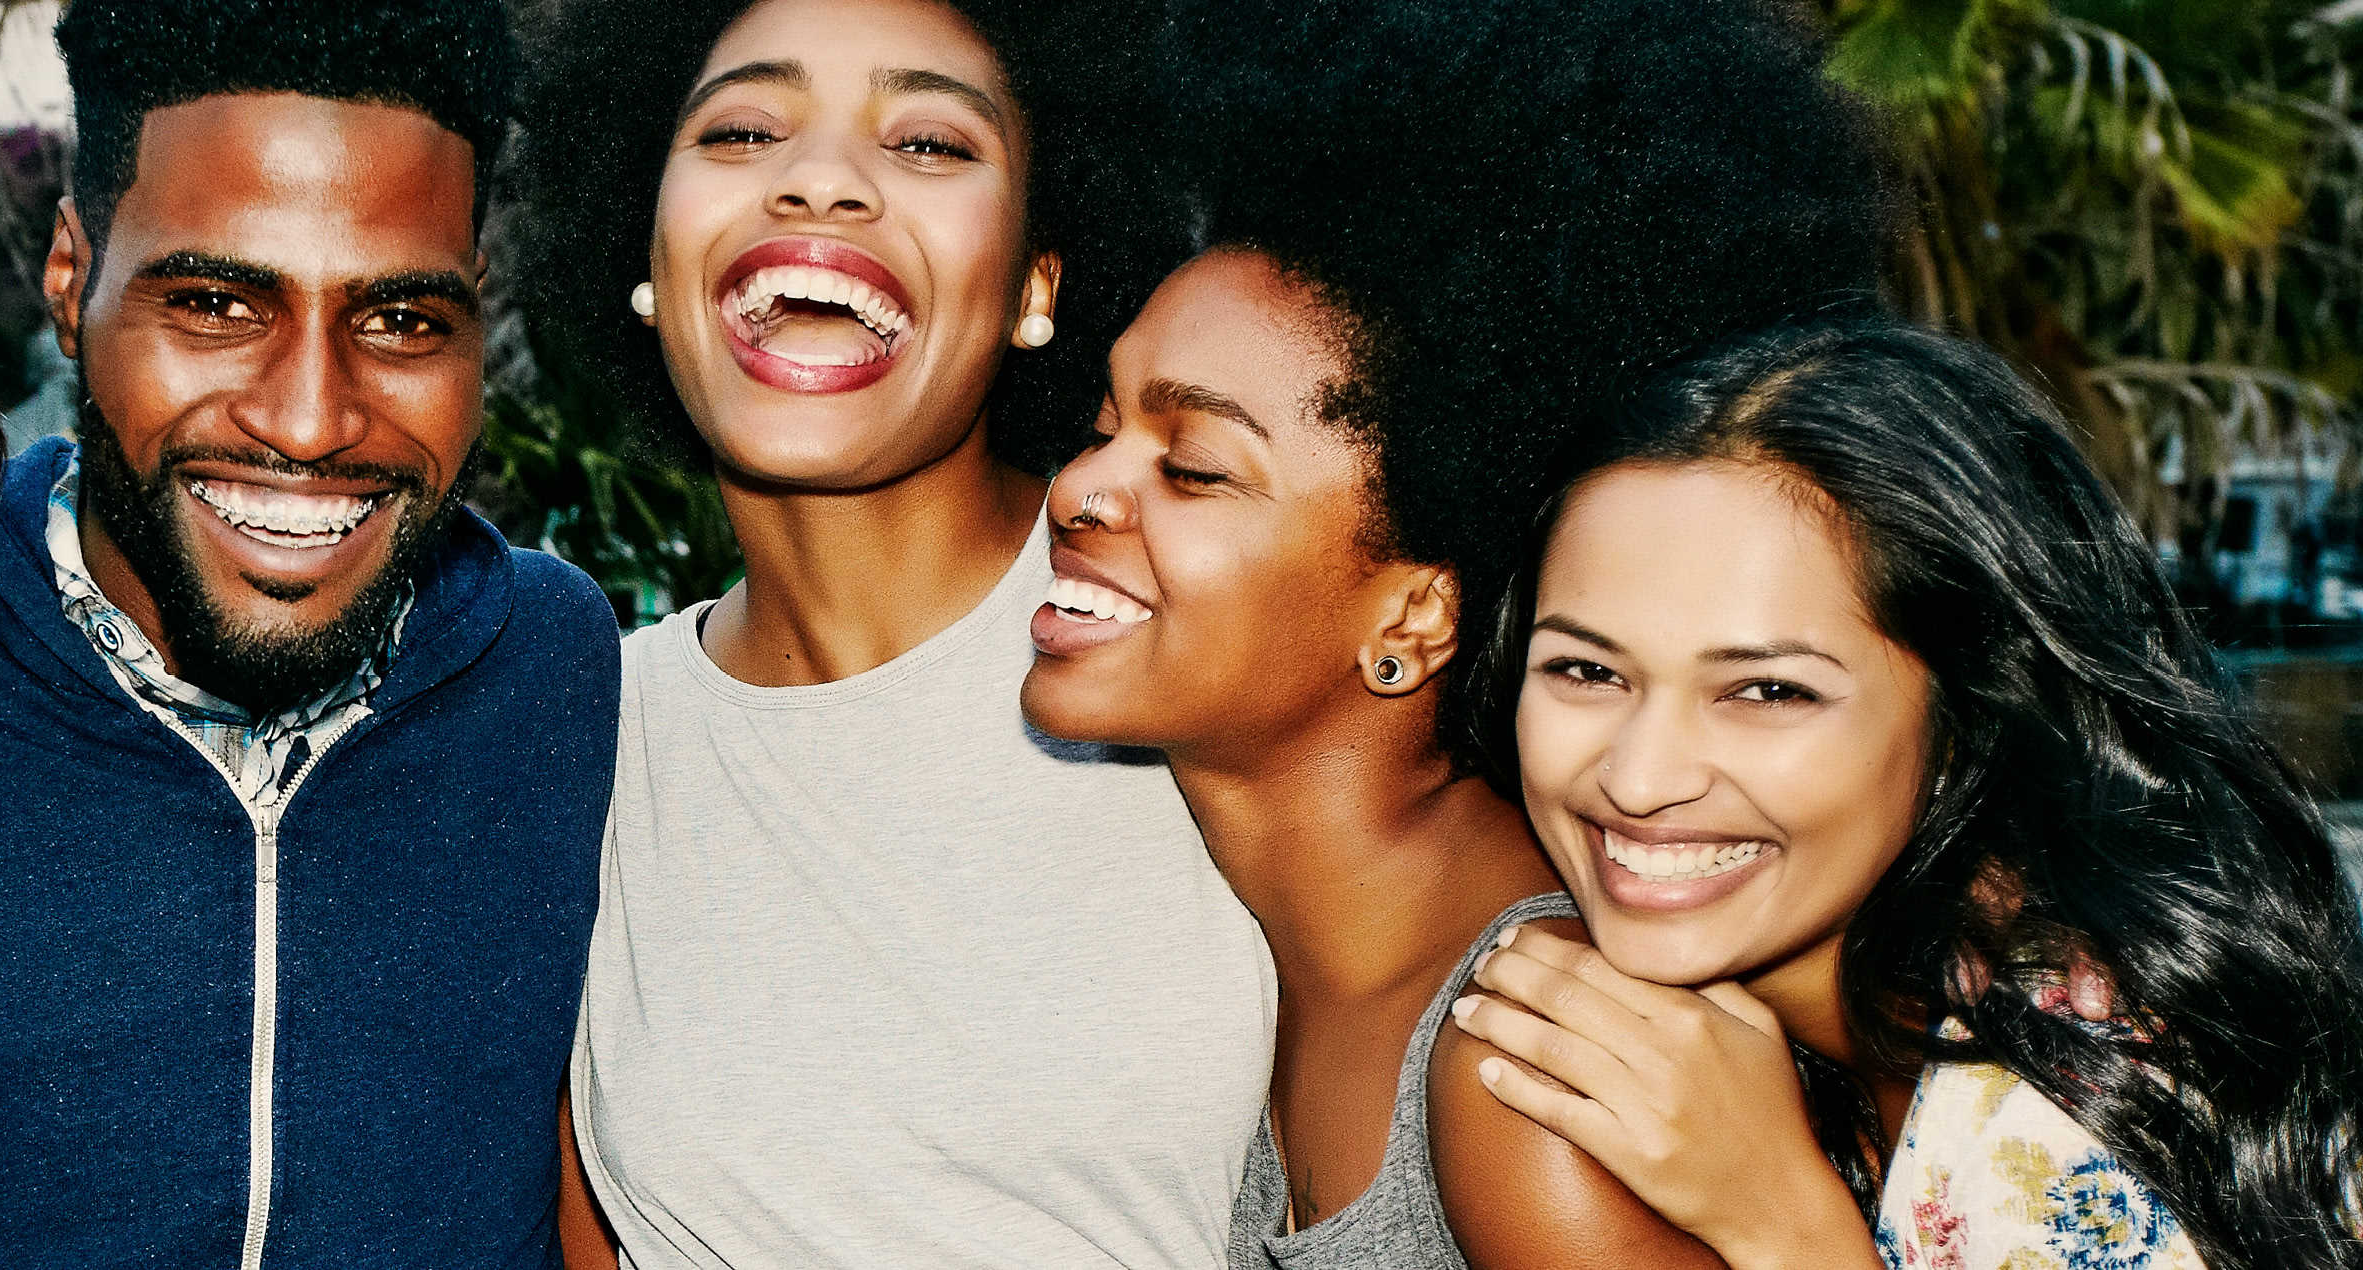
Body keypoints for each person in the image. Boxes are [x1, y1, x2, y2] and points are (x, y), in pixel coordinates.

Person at [1008, 1, 1892, 1267]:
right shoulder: (1229, 965)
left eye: (1191, 466)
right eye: (1102, 428)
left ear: (1413, 614)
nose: (1079, 491)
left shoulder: (1525, 1068)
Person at [0, 1, 624, 1266]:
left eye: (400, 320)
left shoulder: (549, 665)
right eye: (217, 303)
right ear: (70, 281)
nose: (313, 419)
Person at [508, 0, 1260, 1264]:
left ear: (1037, 283)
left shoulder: (1184, 626)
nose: (818, 182)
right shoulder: (573, 733)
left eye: (926, 144)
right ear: (644, 252)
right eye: (743, 127)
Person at [1449, 322, 2363, 1270]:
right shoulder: (1892, 1000)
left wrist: (1780, 1218)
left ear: (1965, 718)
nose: (1638, 779)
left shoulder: (2072, 1096)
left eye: (1768, 691)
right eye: (1588, 671)